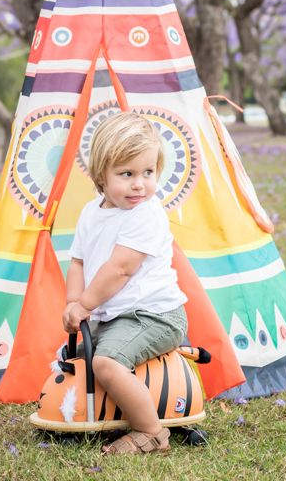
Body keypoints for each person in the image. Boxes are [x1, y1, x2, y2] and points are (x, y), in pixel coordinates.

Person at [63, 111, 187, 455]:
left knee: (105, 363)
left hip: (154, 315)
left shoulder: (146, 214)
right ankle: (97, 413)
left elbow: (120, 269)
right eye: (127, 174)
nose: (139, 184)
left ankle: (151, 432)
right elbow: (78, 261)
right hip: (116, 315)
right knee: (76, 357)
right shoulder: (91, 212)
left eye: (148, 172)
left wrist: (85, 305)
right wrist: (73, 302)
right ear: (100, 175)